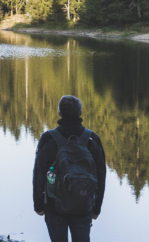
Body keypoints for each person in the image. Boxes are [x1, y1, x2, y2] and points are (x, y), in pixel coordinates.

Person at [33, 95, 107, 242]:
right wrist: (97, 206)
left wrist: (38, 203)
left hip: (54, 206)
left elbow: (39, 173)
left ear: (59, 112)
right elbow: (101, 174)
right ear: (80, 113)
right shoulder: (92, 139)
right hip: (84, 203)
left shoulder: (49, 138)